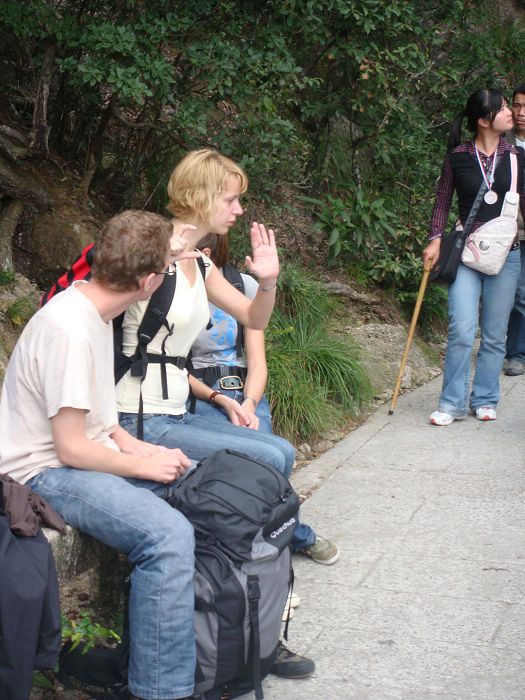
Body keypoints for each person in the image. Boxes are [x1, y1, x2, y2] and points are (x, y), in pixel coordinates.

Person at [116, 149, 315, 679]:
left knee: (278, 453)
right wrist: (156, 259)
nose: (238, 208)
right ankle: (248, 606)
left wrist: (268, 281)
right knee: (271, 460)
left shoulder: (199, 263)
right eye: (231, 198)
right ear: (201, 196)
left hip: (176, 409)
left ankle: (253, 611)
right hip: (136, 417)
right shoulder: (150, 248)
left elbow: (252, 316)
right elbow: (111, 319)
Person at [0, 210, 200, 700]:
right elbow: (70, 447)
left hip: (75, 456)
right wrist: (142, 465)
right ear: (149, 281)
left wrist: (140, 446)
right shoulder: (69, 328)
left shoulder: (95, 310)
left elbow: (101, 423)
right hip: (40, 472)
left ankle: (174, 654)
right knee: (168, 535)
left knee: (199, 486)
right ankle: (160, 691)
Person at [188, 232, 339, 566]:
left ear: (205, 253)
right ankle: (296, 535)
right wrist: (219, 399)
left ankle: (268, 539)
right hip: (201, 394)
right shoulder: (180, 289)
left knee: (268, 459)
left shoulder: (242, 286)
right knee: (243, 462)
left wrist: (249, 403)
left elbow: (257, 363)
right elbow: (174, 368)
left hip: (245, 390)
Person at [423, 88, 525, 425]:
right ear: (483, 120)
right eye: (503, 108)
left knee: (494, 335)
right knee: (462, 329)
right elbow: (442, 201)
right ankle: (451, 403)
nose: (511, 112)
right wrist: (435, 240)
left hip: (506, 255)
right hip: (466, 253)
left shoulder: (516, 157)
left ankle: (484, 399)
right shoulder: (457, 156)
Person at [504, 80, 525, 376]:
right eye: (517, 105)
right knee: (518, 293)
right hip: (511, 230)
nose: (521, 112)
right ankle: (516, 353)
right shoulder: (503, 141)